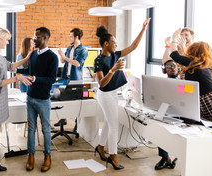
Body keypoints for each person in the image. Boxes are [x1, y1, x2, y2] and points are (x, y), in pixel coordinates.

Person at [94, 18, 151, 170]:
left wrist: (143, 29)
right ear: (106, 43)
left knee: (108, 122)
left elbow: (133, 46)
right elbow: (101, 83)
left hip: (115, 93)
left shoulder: (116, 54)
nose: (117, 46)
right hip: (105, 95)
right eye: (115, 43)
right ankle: (113, 156)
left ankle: (100, 147)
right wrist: (113, 70)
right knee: (114, 125)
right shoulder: (99, 60)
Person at [0, 27, 33, 176]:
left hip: (0, 97)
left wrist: (27, 58)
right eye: (6, 39)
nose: (8, 41)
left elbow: (10, 66)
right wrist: (17, 78)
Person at [17, 27, 58, 172]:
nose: (34, 39)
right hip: (30, 97)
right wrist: (15, 70)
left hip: (43, 99)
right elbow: (29, 71)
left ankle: (47, 156)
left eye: (37, 37)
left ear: (45, 39)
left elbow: (51, 79)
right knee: (31, 129)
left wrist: (35, 79)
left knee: (46, 129)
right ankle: (31, 156)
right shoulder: (33, 54)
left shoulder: (53, 57)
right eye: (34, 36)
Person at [169, 28, 212, 122]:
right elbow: (191, 87)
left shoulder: (194, 63)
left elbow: (174, 55)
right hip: (207, 100)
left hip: (207, 103)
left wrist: (174, 38)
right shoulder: (205, 65)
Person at [55, 28, 88, 128]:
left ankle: (77, 124)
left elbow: (77, 64)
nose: (69, 38)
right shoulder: (69, 48)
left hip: (75, 78)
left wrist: (64, 57)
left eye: (71, 36)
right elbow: (63, 62)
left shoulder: (83, 50)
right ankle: (63, 119)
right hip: (66, 77)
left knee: (76, 101)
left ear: (76, 37)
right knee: (63, 99)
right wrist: (61, 55)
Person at [155, 59, 179, 170]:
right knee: (160, 127)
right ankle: (165, 158)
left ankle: (180, 156)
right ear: (165, 69)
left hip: (182, 114)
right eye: (169, 66)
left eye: (174, 66)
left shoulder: (185, 82)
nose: (172, 68)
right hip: (167, 111)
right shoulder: (162, 84)